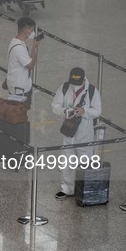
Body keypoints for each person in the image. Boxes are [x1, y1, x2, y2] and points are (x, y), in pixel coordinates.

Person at [52, 68, 102, 200]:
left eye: (77, 83)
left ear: (83, 80)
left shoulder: (92, 91)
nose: (74, 86)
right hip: (69, 132)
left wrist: (84, 111)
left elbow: (97, 111)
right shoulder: (64, 87)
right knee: (67, 161)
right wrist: (65, 111)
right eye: (72, 83)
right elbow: (55, 106)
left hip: (85, 134)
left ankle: (86, 190)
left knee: (85, 162)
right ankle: (67, 189)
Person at [6, 17, 41, 108]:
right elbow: (31, 66)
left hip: (22, 85)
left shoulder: (17, 41)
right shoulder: (19, 48)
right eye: (32, 30)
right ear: (27, 30)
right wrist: (35, 47)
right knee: (18, 115)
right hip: (19, 89)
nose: (33, 33)